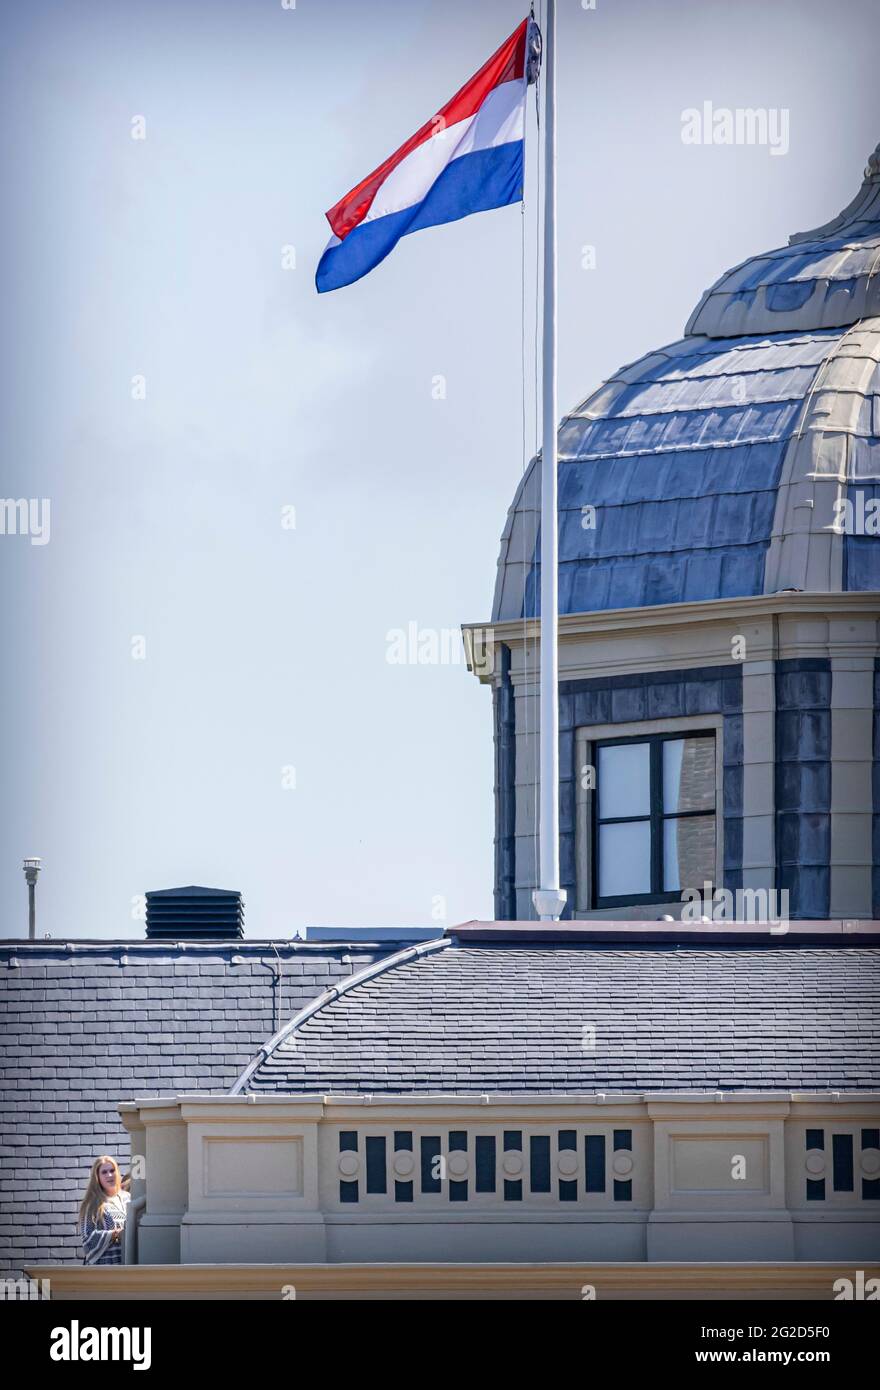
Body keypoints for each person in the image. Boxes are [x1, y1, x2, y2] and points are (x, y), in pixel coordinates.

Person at [78, 1155, 130, 1265]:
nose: (109, 1175)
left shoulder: (128, 1198)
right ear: (97, 1177)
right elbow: (87, 1240)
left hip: (126, 1264)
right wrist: (114, 1234)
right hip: (103, 1269)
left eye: (112, 1170)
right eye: (104, 1172)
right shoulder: (92, 1204)